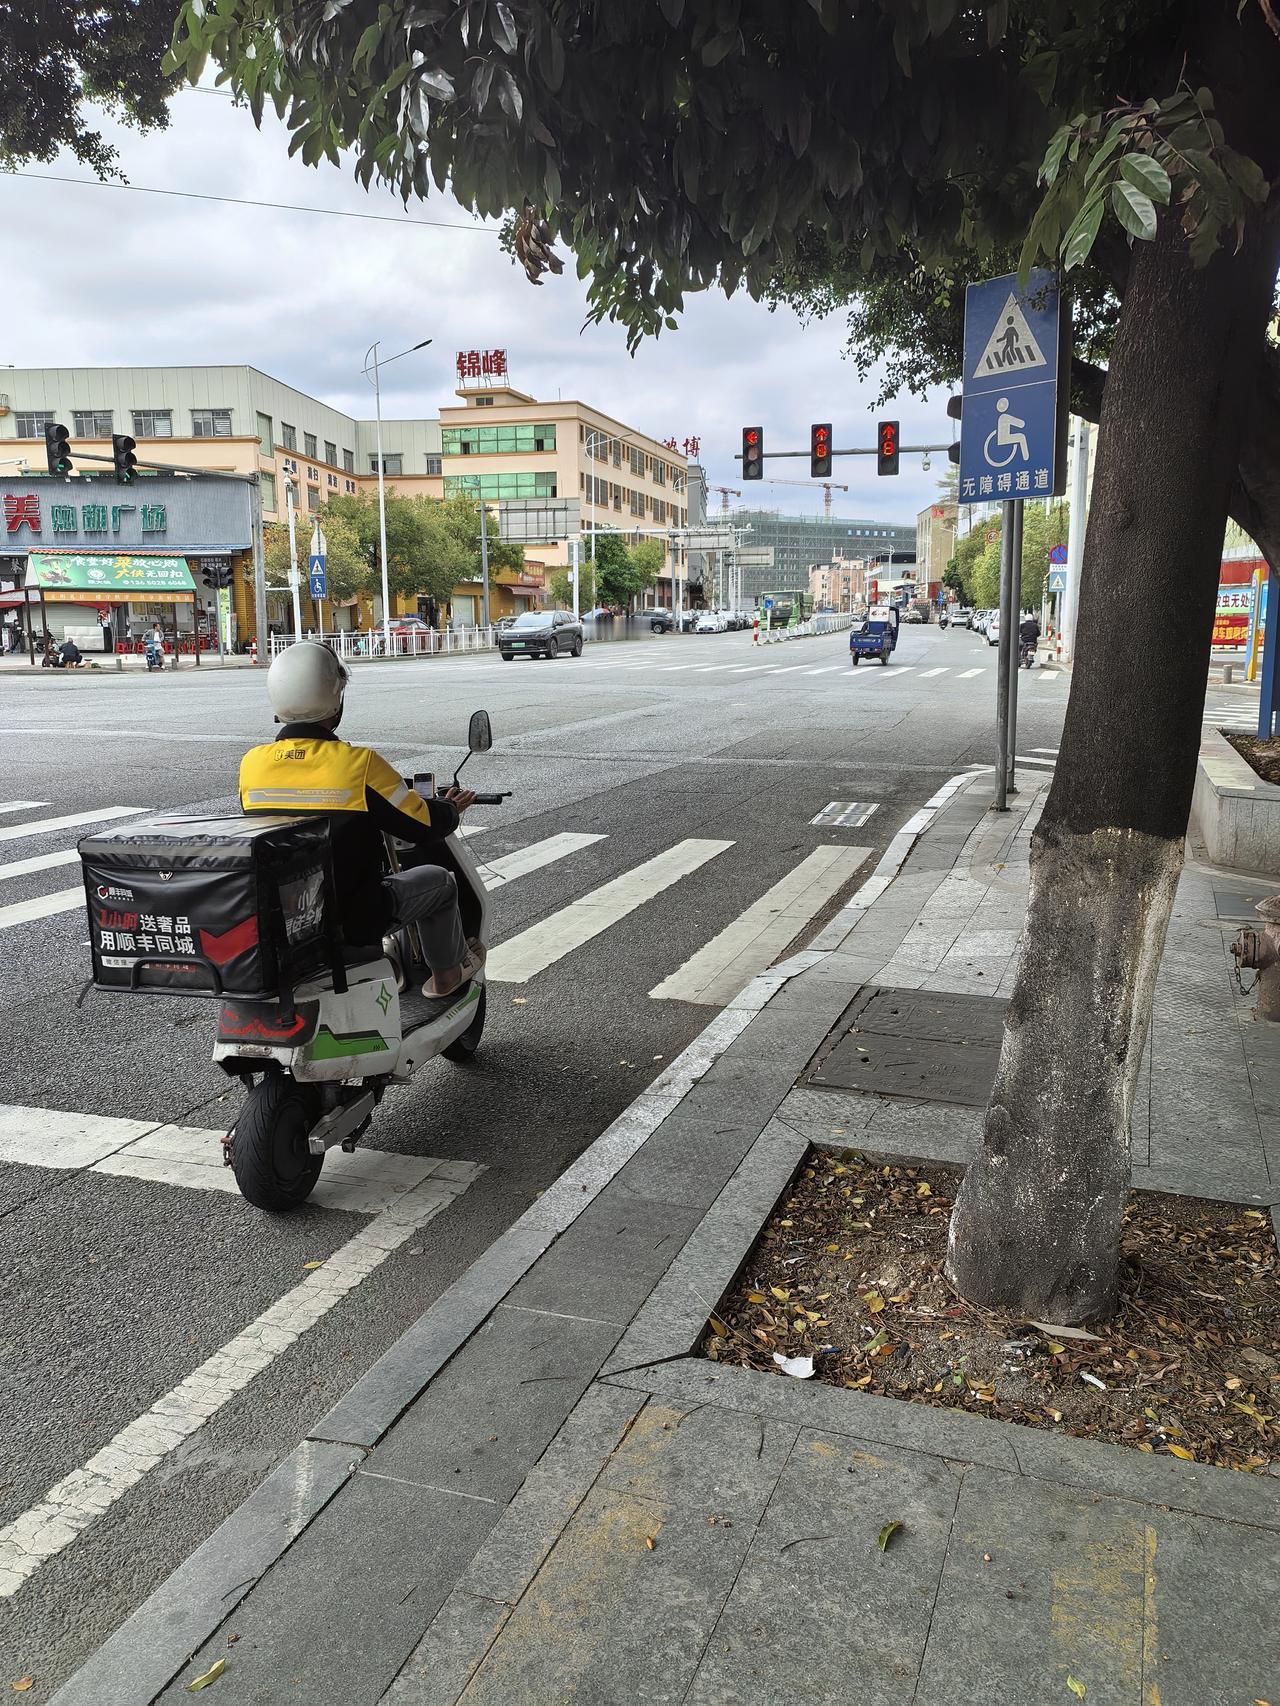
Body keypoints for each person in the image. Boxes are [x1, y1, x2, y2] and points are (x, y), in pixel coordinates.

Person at [238, 640, 482, 1001]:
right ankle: (446, 975)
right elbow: (422, 825)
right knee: (440, 882)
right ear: (335, 700)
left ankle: (387, 966)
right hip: (355, 916)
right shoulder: (359, 765)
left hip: (288, 917)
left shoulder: (252, 764)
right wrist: (450, 809)